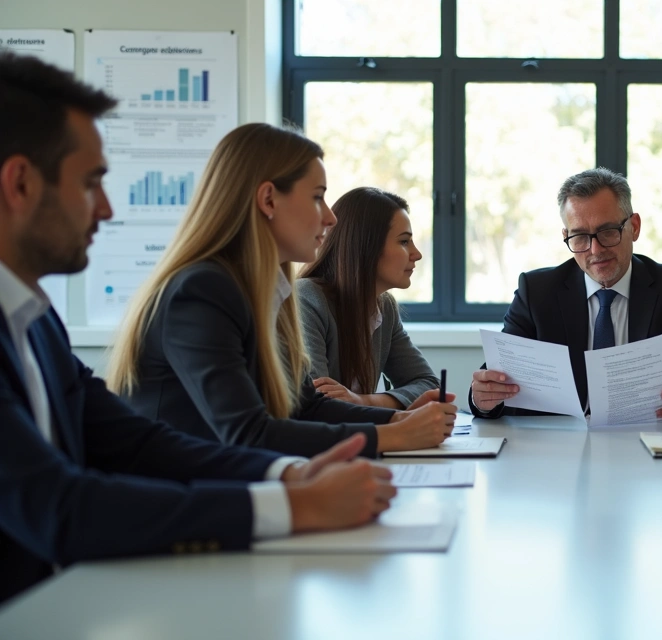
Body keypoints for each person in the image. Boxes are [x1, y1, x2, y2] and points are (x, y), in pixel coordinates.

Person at [0, 51, 397, 605]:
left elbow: (138, 444)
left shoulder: (34, 320)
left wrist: (287, 477)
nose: (108, 209)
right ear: (19, 184)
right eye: (92, 183)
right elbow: (59, 506)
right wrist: (292, 503)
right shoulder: (202, 289)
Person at [107, 124, 455, 458]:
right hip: (180, 498)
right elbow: (248, 433)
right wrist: (393, 434)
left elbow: (307, 406)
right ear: (269, 200)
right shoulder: (202, 290)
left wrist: (399, 419)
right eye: (318, 197)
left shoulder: (267, 293)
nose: (331, 218)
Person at [469, 167, 662, 421]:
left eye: (607, 232)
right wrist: (482, 400)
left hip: (651, 443)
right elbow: (496, 379)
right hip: (556, 451)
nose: (595, 250)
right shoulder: (537, 292)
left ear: (634, 227)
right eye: (580, 236)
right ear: (566, 235)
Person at [298, 186, 439, 409]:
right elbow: (319, 403)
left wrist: (362, 401)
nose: (417, 254)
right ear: (366, 247)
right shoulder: (306, 299)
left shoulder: (385, 308)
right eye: (404, 241)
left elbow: (429, 387)